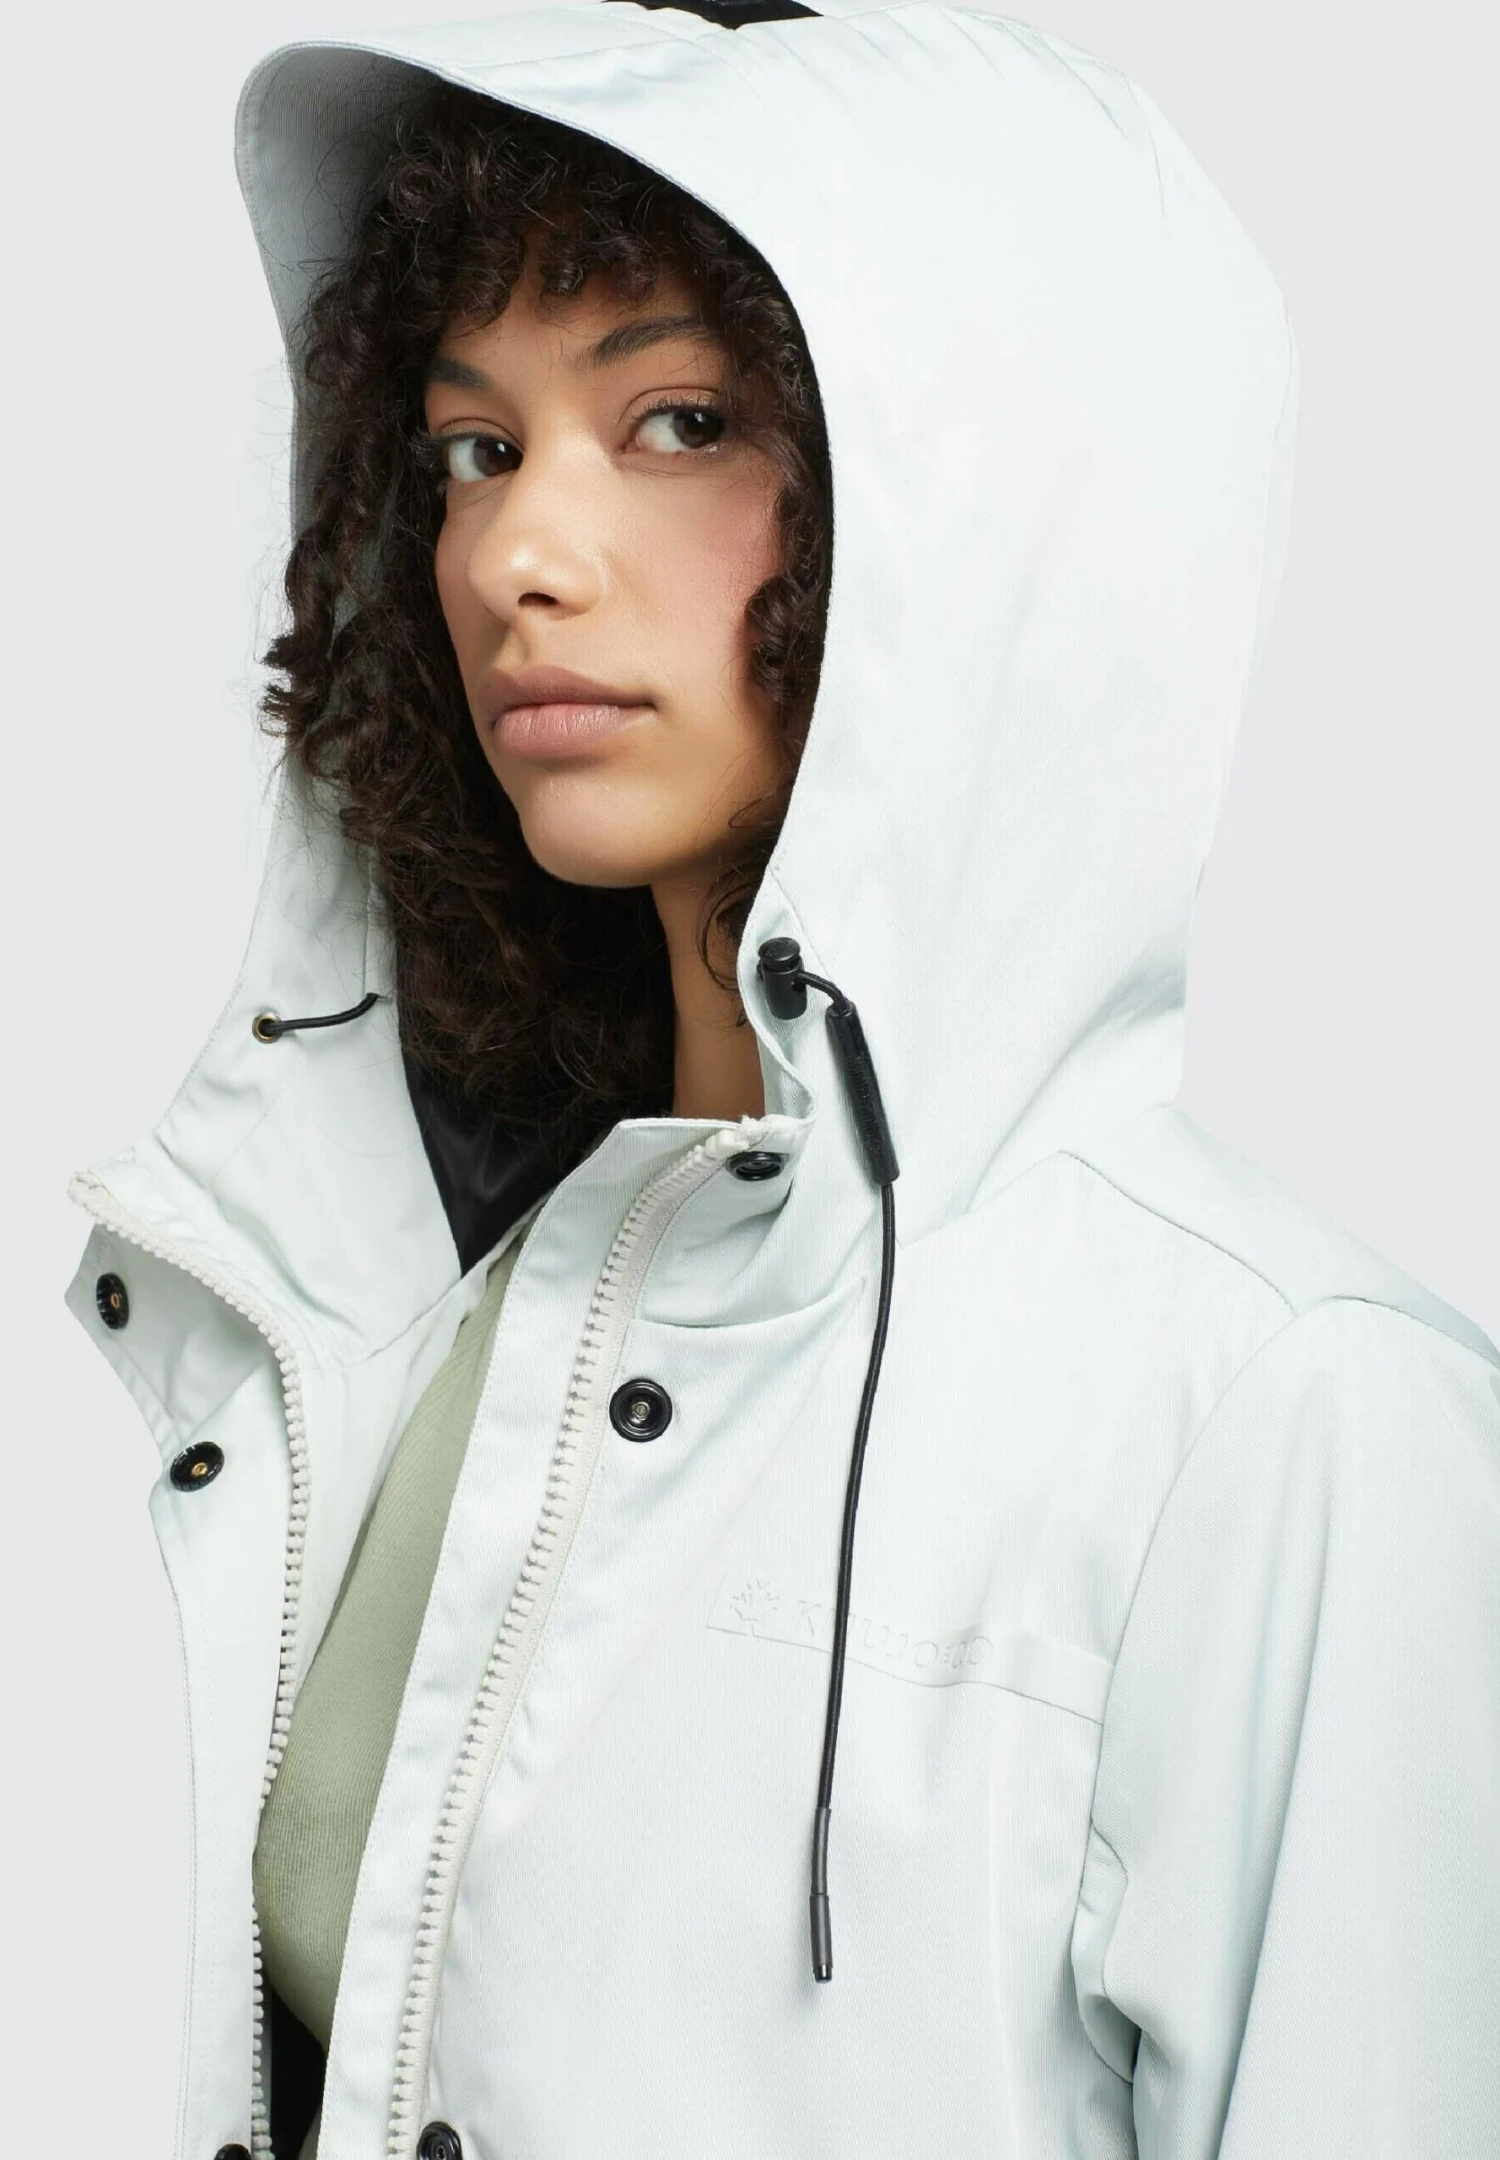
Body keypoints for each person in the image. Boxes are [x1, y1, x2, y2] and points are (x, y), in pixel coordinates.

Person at [65, 4, 1500, 2158]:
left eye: (679, 420)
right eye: (469, 449)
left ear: (978, 510)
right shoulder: (440, 1301)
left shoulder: (1299, 1416)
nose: (516, 556)